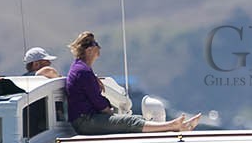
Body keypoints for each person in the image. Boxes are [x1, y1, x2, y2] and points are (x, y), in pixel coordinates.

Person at [65, 31, 196, 135]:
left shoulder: (81, 69)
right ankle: (173, 126)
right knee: (129, 121)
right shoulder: (83, 71)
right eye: (95, 44)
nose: (99, 47)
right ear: (88, 50)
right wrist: (109, 112)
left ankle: (175, 127)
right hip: (86, 122)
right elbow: (97, 101)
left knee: (136, 119)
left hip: (86, 119)